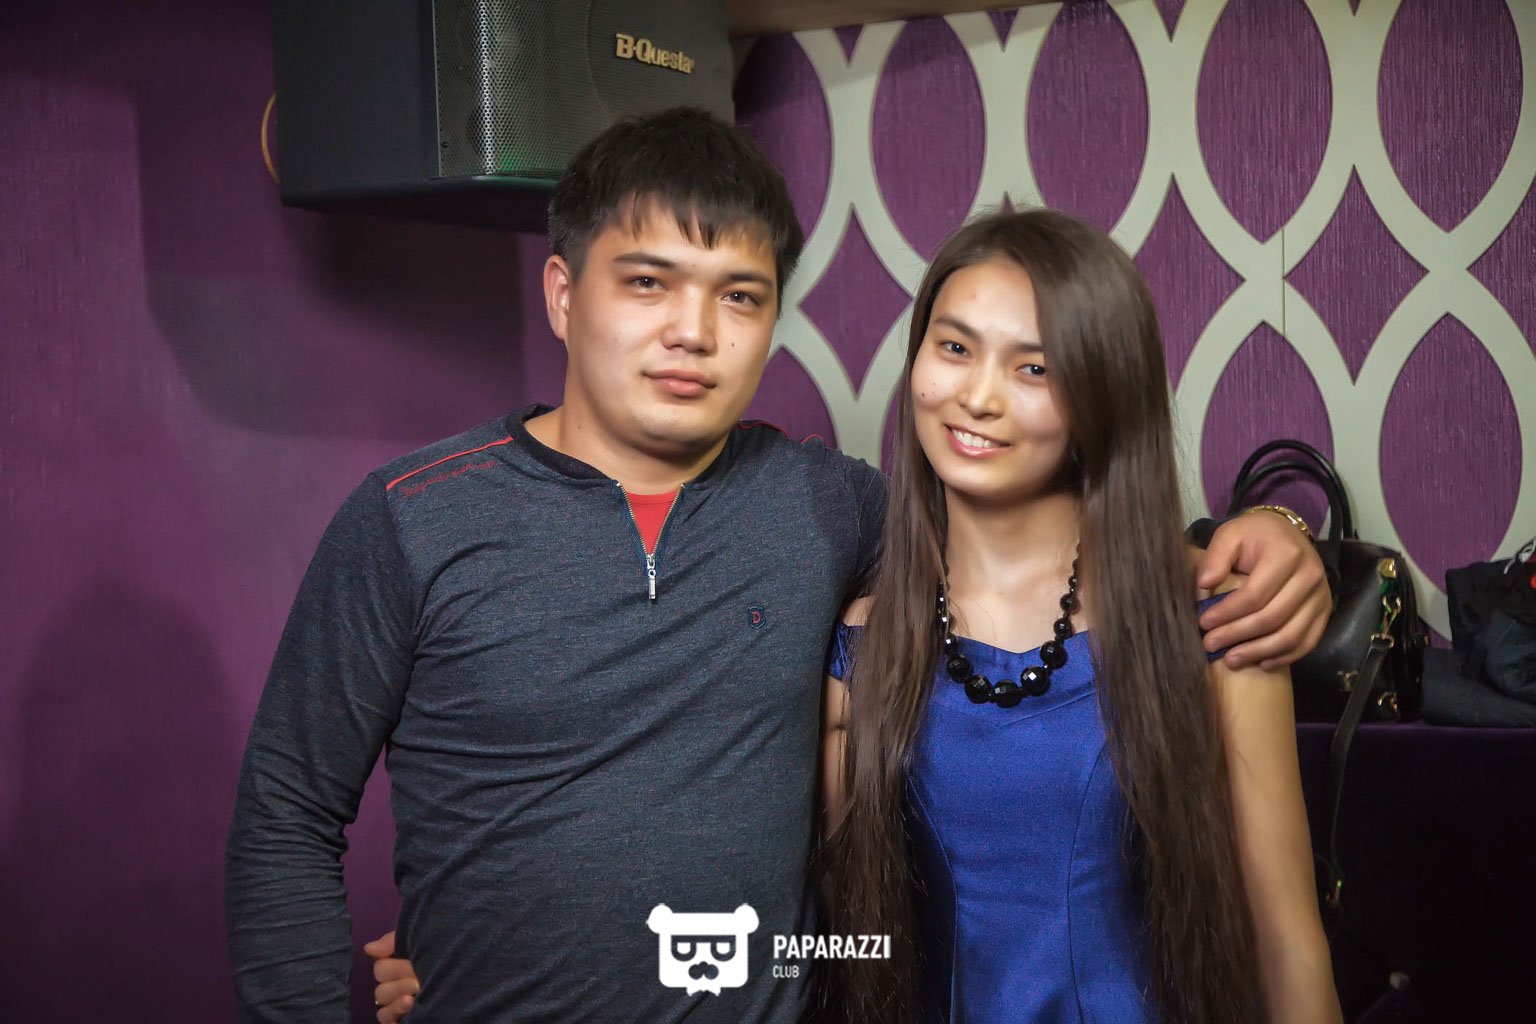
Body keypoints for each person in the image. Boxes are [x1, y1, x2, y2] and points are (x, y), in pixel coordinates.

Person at [226, 108, 1328, 1024]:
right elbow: (284, 812)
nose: (693, 331)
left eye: (739, 296)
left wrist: (1271, 537)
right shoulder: (415, 517)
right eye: (648, 282)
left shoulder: (826, 505)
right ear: (563, 294)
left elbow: (1034, 544)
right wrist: (383, 978)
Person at [819, 209, 1340, 1024]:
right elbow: (842, 939)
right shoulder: (862, 644)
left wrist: (1282, 526)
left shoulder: (1211, 622)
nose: (977, 396)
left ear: (1103, 395)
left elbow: (1287, 947)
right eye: (954, 348)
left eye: (1034, 368)